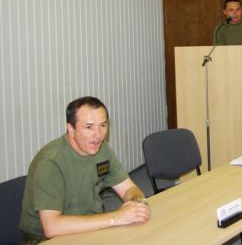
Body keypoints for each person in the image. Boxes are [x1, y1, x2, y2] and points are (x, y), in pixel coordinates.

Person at [20, 97, 150, 243]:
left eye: (103, 125)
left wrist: (136, 203)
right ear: (70, 129)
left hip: (91, 226)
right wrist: (115, 218)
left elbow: (129, 189)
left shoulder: (100, 149)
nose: (98, 135)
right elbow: (52, 227)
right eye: (89, 127)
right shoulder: (50, 163)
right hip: (46, 239)